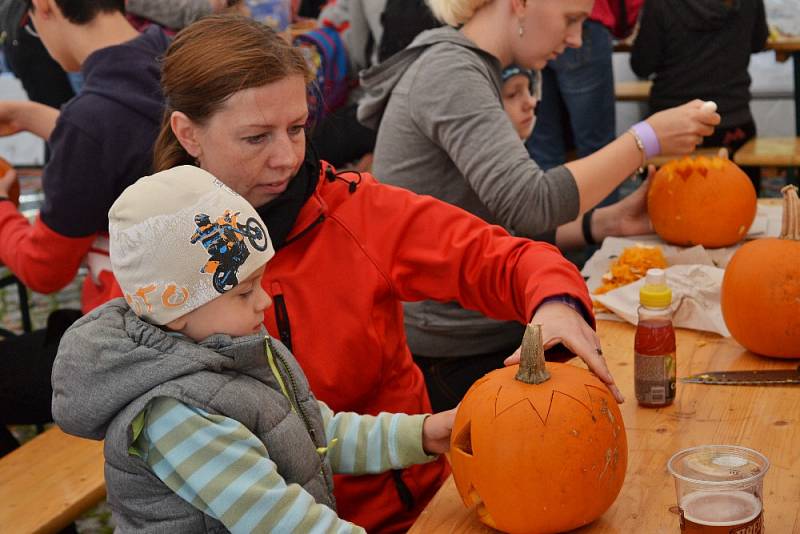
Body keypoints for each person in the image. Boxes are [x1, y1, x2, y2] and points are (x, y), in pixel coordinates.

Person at [152, 14, 621, 532]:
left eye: (296, 129)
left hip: (407, 514)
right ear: (188, 134)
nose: (285, 158)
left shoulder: (356, 213)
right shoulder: (157, 257)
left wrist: (557, 303)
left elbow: (506, 259)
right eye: (256, 138)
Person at [359, 0, 719, 414]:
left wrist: (604, 222)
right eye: (572, 19)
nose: (576, 39)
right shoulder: (450, 71)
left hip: (486, 330)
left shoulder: (469, 68)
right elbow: (531, 203)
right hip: (457, 353)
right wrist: (646, 140)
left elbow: (491, 223)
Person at [52, 165, 456, 533]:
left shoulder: (226, 348)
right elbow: (277, 518)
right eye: (244, 292)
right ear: (174, 307)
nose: (263, 301)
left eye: (261, 282)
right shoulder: (174, 414)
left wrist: (420, 434)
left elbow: (310, 431)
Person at [0, 0, 169, 456]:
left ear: (45, 7)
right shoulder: (171, 58)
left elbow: (43, 269)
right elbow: (122, 141)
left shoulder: (91, 121)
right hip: (189, 315)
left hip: (132, 349)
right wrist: (29, 117)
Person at [630, 0, 768, 192]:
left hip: (673, 128)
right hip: (734, 125)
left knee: (664, 214)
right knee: (740, 211)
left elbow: (642, 65)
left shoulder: (660, 4)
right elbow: (759, 42)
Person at [527, 0, 643, 208]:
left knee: (542, 151)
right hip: (587, 19)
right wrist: (623, 22)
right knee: (597, 149)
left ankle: (550, 236)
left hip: (529, 23)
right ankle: (598, 234)